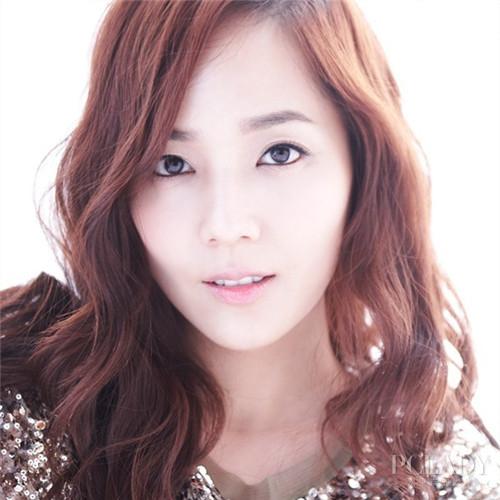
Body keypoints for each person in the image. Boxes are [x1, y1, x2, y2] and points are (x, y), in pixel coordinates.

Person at [1, 0, 499, 499]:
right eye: (172, 164)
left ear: (364, 165)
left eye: (279, 153)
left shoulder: (447, 480)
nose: (226, 225)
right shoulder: (26, 418)